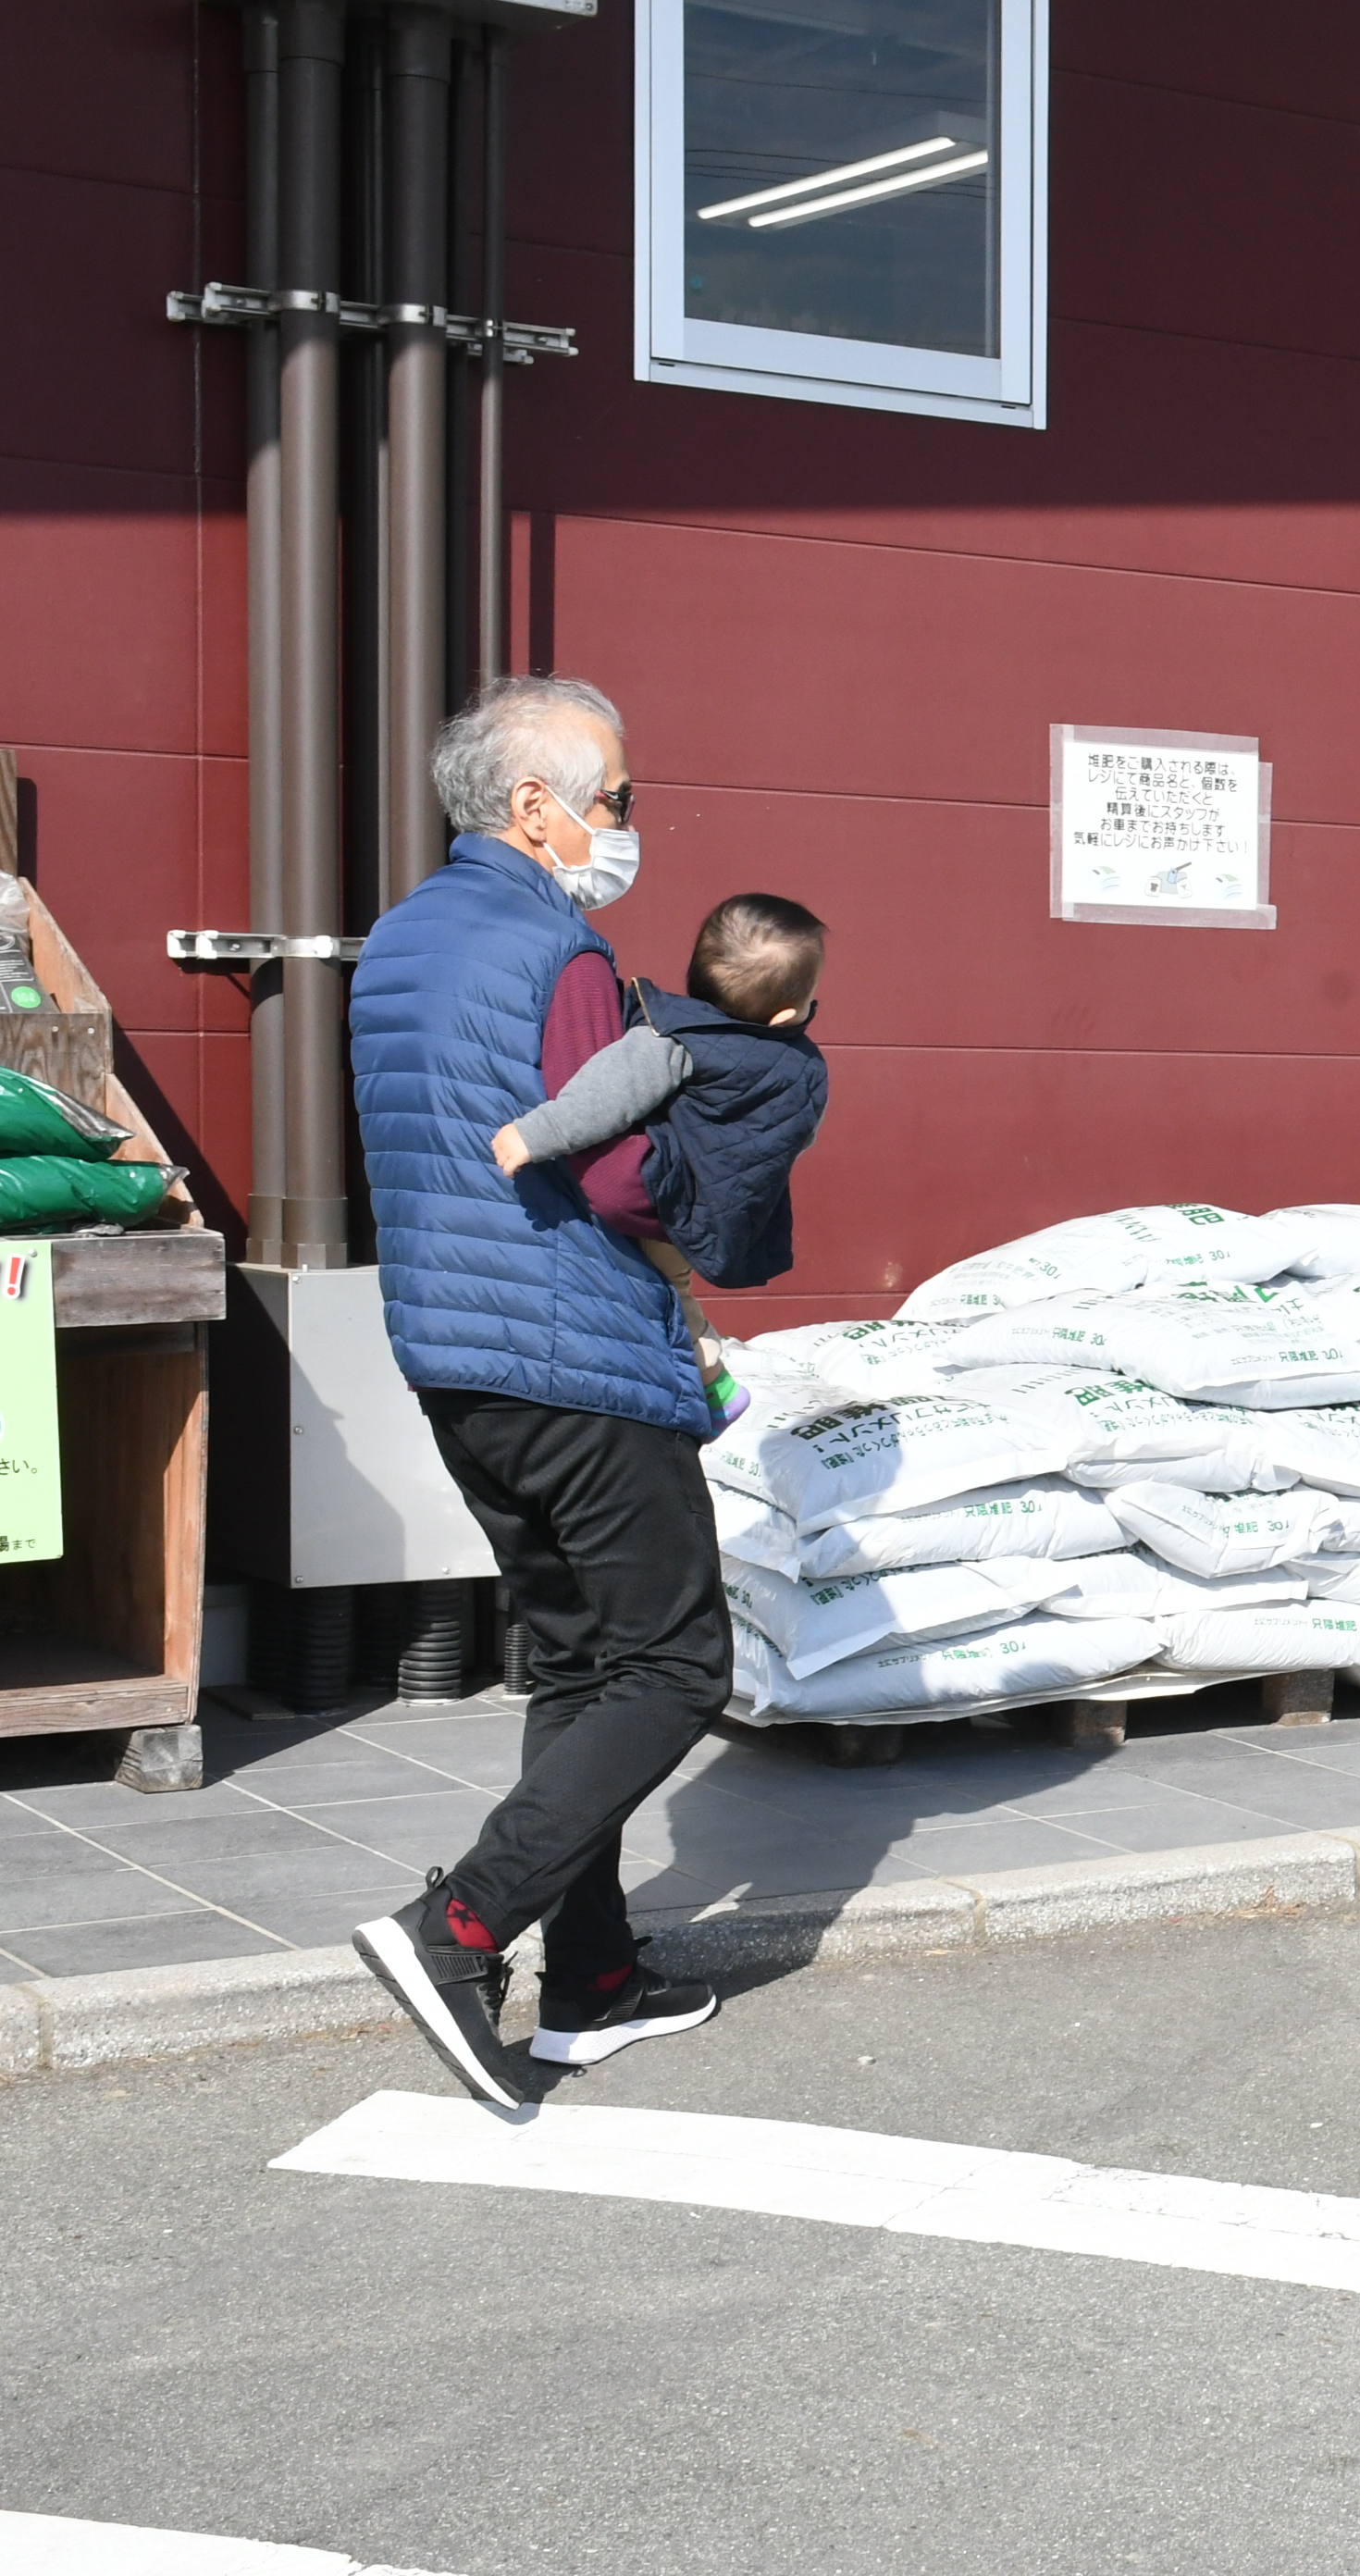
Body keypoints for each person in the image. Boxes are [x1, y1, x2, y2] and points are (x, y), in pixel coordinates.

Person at [344, 675, 730, 2108]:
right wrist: (707, 1214)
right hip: (578, 1354)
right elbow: (621, 1168)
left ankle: (596, 1977)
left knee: (577, 1660)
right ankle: (456, 1929)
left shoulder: (399, 944)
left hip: (455, 1354)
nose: (627, 826)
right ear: (534, 808)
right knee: (682, 1664)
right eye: (614, 799)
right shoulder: (559, 953)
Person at [489, 894, 833, 1425]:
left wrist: (534, 1134)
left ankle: (713, 1383)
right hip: (721, 1209)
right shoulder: (808, 1069)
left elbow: (603, 1097)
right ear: (787, 1014)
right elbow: (797, 1138)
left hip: (663, 1191)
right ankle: (706, 1374)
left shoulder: (673, 1038)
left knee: (667, 1291)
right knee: (674, 1282)